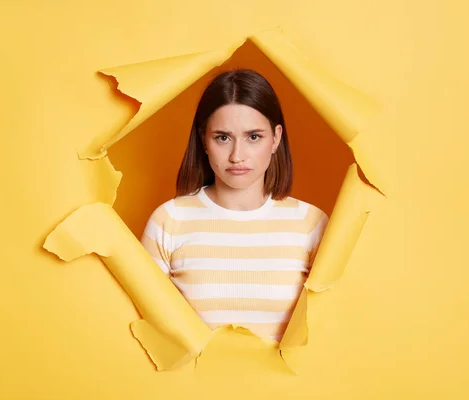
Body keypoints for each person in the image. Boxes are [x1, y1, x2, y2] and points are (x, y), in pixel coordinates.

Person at [140, 69, 329, 342]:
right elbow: (146, 325)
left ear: (275, 138)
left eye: (253, 137)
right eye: (223, 137)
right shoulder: (169, 220)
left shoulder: (310, 223)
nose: (237, 156)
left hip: (285, 384)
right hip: (189, 384)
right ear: (204, 139)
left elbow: (329, 329)